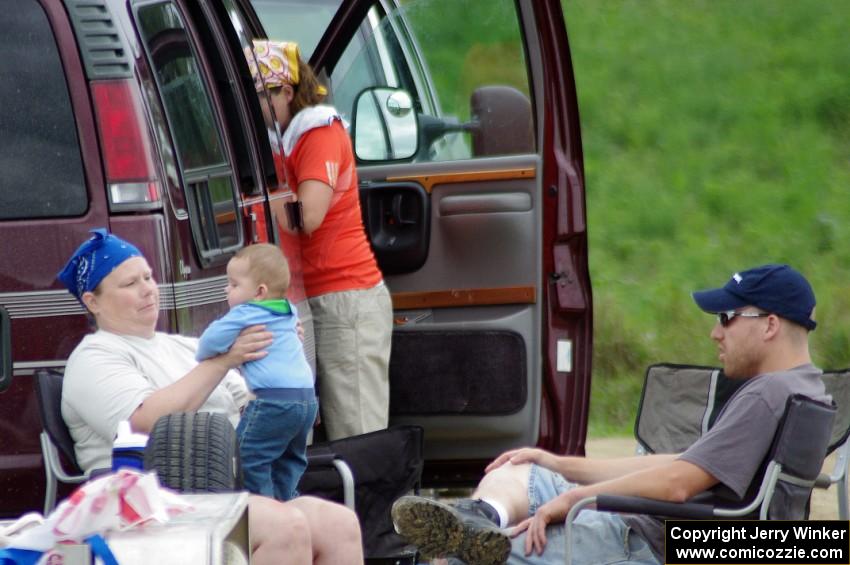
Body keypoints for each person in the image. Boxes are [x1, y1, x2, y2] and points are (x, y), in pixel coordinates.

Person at [391, 263, 829, 565]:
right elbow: (686, 465)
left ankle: (475, 534)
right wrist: (560, 465)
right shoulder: (804, 387)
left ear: (770, 325)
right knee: (524, 469)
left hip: (646, 542)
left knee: (458, 557)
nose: (716, 331)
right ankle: (482, 517)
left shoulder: (766, 395)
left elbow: (678, 485)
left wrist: (573, 498)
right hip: (658, 527)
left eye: (727, 317)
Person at [57, 229, 363, 565]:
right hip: (151, 502)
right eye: (130, 284)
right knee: (284, 527)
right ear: (92, 301)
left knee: (339, 524)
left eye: (148, 277)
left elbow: (255, 405)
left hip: (227, 485)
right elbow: (146, 423)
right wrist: (224, 361)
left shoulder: (184, 346)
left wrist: (280, 354)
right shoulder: (94, 357)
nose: (147, 289)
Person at [247, 40, 393, 441]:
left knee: (357, 433)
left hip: (346, 298)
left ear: (288, 92)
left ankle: (370, 505)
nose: (256, 108)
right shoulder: (287, 139)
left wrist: (261, 186)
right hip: (313, 297)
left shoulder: (318, 132)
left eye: (263, 96)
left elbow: (306, 217)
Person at [195, 243, 316, 501]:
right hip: (307, 400)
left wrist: (220, 349)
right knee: (290, 459)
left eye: (234, 284)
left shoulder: (246, 313)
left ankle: (264, 510)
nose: (227, 289)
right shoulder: (288, 311)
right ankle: (285, 504)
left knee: (246, 457)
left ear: (259, 292)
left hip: (273, 401)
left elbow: (206, 345)